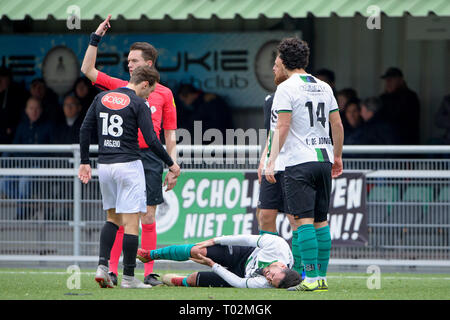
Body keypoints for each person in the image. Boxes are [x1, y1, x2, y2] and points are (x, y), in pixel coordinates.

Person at [81, 14, 178, 286]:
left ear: (148, 64)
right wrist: (95, 37)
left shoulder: (164, 93)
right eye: (128, 60)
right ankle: (114, 270)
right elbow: (88, 70)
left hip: (152, 157)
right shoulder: (119, 87)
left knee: (147, 216)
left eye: (133, 60)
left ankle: (147, 273)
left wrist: (172, 166)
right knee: (125, 217)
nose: (128, 63)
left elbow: (169, 133)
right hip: (125, 156)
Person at [265, 37, 344, 292]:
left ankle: (309, 278)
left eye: (277, 57)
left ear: (284, 60)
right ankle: (320, 277)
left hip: (299, 162)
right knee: (321, 221)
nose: (275, 62)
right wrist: (338, 156)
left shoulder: (286, 88)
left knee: (303, 221)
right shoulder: (324, 87)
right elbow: (337, 125)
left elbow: (283, 126)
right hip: (324, 159)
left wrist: (271, 160)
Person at [256, 56, 304, 278]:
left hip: (294, 163)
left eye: (276, 65)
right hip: (272, 164)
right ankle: (271, 264)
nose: (273, 69)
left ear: (286, 67)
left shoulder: (303, 95)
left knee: (295, 218)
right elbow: (271, 134)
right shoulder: (270, 100)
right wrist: (264, 159)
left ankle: (299, 269)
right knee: (265, 214)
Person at [136, 234, 301, 289]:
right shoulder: (277, 245)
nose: (269, 278)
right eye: (273, 275)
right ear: (281, 266)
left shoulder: (267, 283)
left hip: (240, 273)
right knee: (197, 251)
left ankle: (179, 281)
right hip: (245, 254)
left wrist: (213, 265)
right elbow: (245, 239)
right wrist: (215, 240)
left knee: (194, 279)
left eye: (272, 282)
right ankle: (149, 255)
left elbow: (238, 282)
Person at [378, 67, 421, 145]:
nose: (388, 83)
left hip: (406, 142)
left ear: (400, 81)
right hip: (386, 141)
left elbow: (400, 118)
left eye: (391, 80)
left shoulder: (410, 97)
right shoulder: (383, 98)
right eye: (387, 80)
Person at [0, 66, 28, 145]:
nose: (3, 83)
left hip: (10, 135)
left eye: (6, 79)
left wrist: (13, 128)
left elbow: (23, 115)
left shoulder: (17, 93)